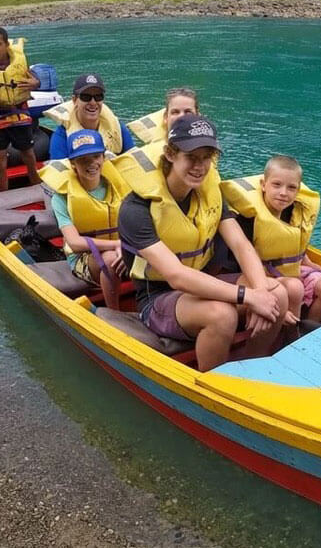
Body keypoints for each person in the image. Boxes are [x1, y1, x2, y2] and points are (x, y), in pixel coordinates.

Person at [116, 115, 289, 371]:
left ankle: (253, 367)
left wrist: (261, 291)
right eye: (192, 157)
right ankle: (212, 384)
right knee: (222, 316)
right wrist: (248, 296)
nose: (200, 166)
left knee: (278, 294)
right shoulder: (137, 208)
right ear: (171, 154)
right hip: (158, 297)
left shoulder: (210, 193)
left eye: (206, 157)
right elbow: (176, 276)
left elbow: (241, 245)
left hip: (203, 282)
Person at [221, 155, 321, 323]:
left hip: (290, 269)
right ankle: (290, 336)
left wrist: (308, 262)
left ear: (298, 191)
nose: (283, 193)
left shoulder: (295, 212)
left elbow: (296, 244)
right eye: (277, 185)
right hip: (258, 274)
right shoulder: (249, 218)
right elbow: (244, 258)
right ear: (263, 185)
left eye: (291, 188)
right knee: (295, 288)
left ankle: (307, 329)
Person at [41, 129, 126, 310]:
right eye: (83, 159)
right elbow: (75, 243)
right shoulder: (61, 198)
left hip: (123, 246)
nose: (92, 163)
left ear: (103, 158)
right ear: (73, 164)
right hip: (84, 258)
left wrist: (127, 246)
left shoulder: (119, 186)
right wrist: (117, 245)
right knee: (110, 259)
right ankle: (114, 314)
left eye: (96, 156)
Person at [0, 26, 41, 191]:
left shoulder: (19, 63)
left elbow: (36, 81)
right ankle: (3, 194)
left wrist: (35, 83)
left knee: (28, 155)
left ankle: (37, 187)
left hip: (19, 115)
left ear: (6, 45)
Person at [47, 73, 136, 159]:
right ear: (74, 100)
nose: (93, 102)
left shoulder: (117, 128)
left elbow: (133, 160)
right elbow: (61, 171)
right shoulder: (62, 136)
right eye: (86, 97)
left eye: (98, 97)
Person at [127, 86, 198, 145]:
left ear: (197, 117)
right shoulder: (148, 154)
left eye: (188, 112)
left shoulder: (208, 152)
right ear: (165, 118)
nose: (181, 117)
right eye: (175, 112)